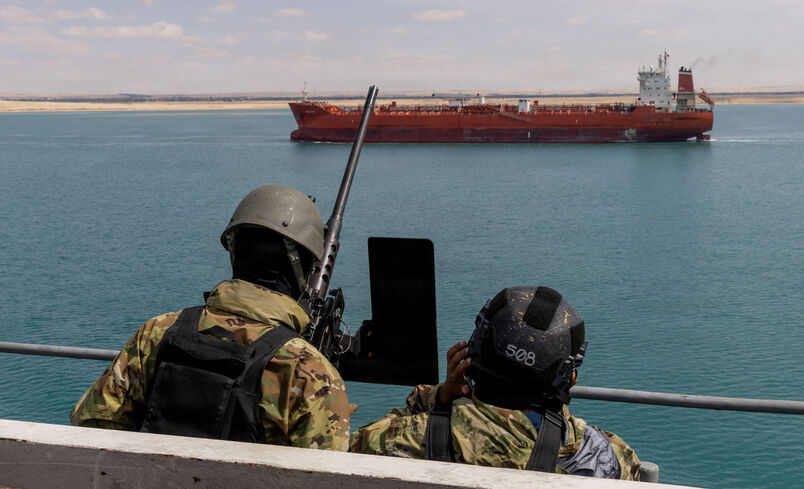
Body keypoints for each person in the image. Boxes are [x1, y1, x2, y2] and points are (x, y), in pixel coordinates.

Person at [71, 184, 352, 450]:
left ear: (234, 250)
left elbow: (90, 421)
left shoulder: (157, 332)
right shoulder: (310, 371)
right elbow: (328, 474)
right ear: (303, 268)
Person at [349, 286, 640, 480]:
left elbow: (351, 449)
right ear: (568, 377)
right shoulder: (606, 456)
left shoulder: (409, 439)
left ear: (472, 353)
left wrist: (440, 398)